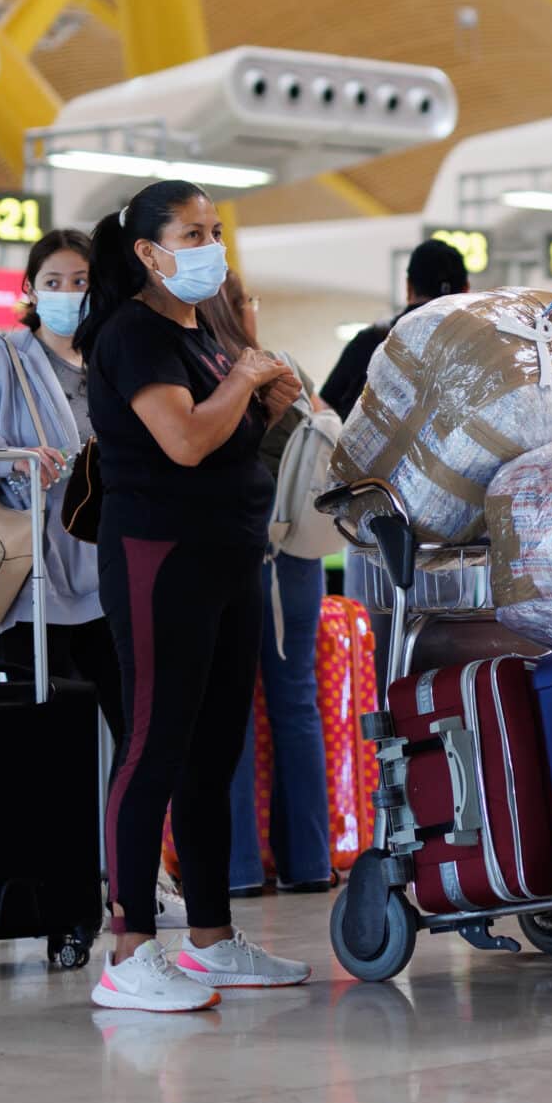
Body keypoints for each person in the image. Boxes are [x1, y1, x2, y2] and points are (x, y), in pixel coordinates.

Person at [0, 229, 188, 929]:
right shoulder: (2, 361)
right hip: (32, 585)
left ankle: (135, 873)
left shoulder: (115, 356)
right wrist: (2, 455)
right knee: (43, 745)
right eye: (54, 280)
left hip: (111, 575)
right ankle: (46, 880)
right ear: (28, 291)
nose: (69, 294)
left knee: (133, 733)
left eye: (81, 280)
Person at [79, 180, 312, 1012]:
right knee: (153, 746)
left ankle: (212, 939)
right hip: (161, 558)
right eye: (192, 232)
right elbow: (181, 441)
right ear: (148, 252)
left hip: (231, 558)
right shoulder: (133, 334)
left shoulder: (208, 334)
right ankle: (130, 947)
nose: (211, 245)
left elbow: (233, 442)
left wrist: (270, 403)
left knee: (215, 755)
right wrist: (244, 380)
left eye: (216, 230)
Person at [201, 275, 334, 897]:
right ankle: (308, 862)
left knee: (229, 710)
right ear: (241, 310)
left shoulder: (203, 373)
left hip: (226, 554)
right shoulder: (285, 369)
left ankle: (239, 871)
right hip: (296, 561)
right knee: (296, 706)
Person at [319, 236, 470, 420]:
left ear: (408, 287)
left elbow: (324, 410)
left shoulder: (370, 340)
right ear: (466, 291)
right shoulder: (473, 353)